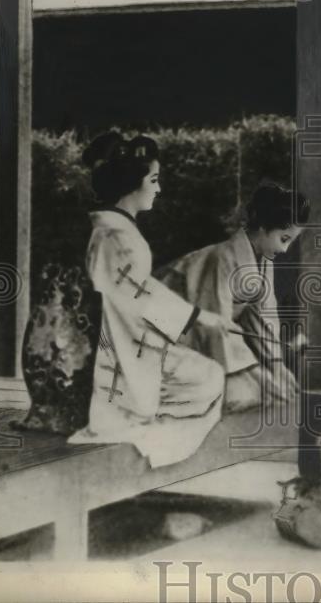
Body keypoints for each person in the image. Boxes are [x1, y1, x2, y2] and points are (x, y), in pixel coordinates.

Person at [67, 132, 242, 467]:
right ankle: (140, 421)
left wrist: (196, 315)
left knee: (207, 376)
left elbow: (139, 286)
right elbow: (137, 294)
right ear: (131, 184)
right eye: (153, 180)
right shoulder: (115, 236)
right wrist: (197, 317)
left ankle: (143, 415)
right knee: (208, 378)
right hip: (121, 341)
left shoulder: (113, 232)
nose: (158, 189)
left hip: (130, 334)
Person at [158, 182, 309, 411]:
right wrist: (257, 373)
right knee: (243, 394)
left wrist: (277, 365)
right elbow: (216, 324)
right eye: (284, 239)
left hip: (209, 338)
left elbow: (263, 317)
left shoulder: (263, 261)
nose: (285, 250)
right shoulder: (222, 257)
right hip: (166, 336)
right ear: (263, 228)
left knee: (265, 391)